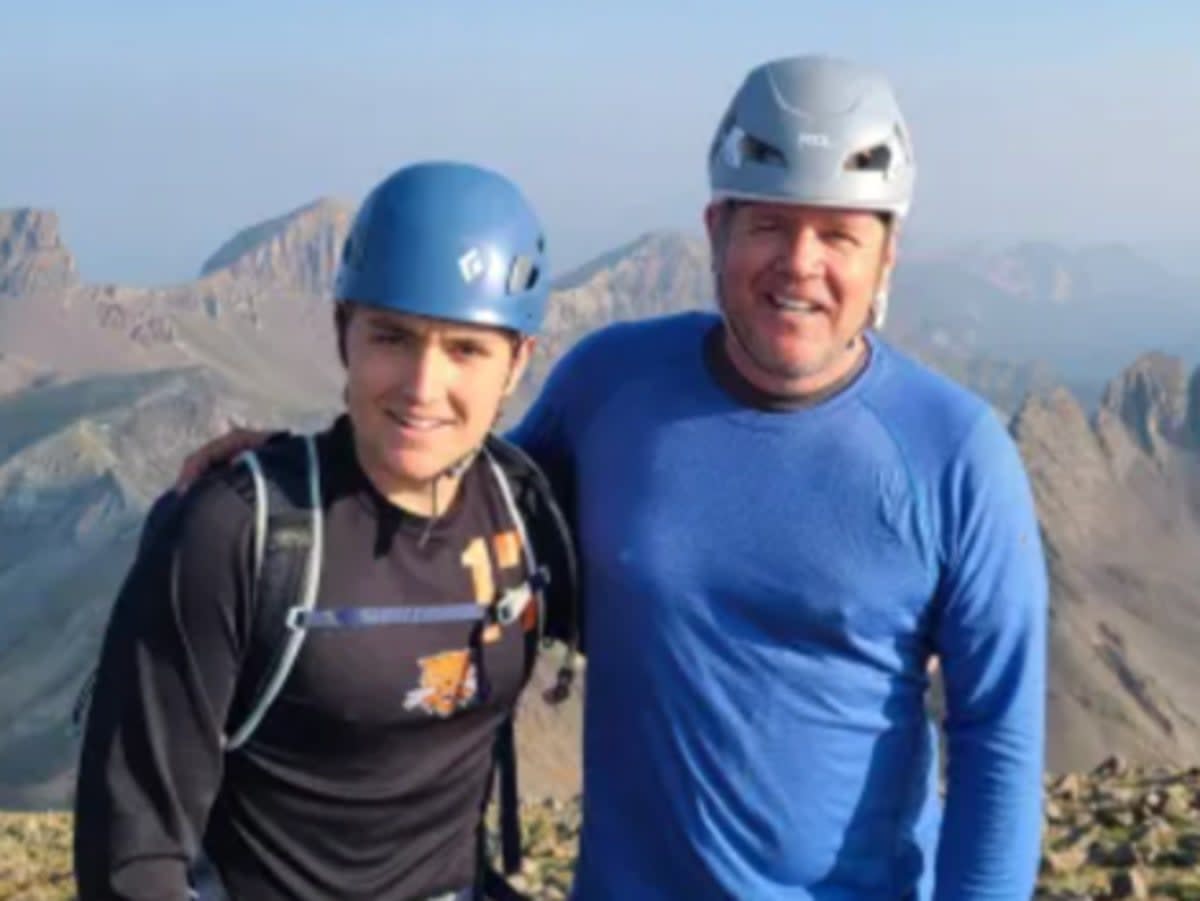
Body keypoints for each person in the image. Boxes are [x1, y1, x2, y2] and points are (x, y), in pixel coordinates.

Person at [176, 55, 1049, 900]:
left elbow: (998, 736)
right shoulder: (612, 384)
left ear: (886, 256)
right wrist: (296, 468)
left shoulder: (957, 454)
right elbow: (451, 494)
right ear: (717, 230)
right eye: (770, 226)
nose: (801, 263)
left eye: (839, 235)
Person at [73, 161, 579, 901]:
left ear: (517, 363)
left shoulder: (530, 513)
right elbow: (132, 855)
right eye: (392, 337)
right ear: (344, 332)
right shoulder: (236, 533)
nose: (421, 385)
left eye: (466, 348)